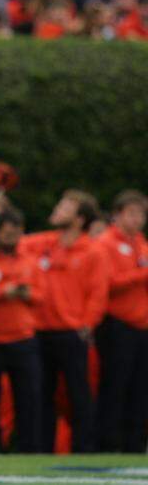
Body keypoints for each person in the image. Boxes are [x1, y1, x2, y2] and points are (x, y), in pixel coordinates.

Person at [22, 189, 107, 454]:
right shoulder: (44, 242)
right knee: (42, 396)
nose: (58, 208)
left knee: (78, 396)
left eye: (65, 206)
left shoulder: (92, 250)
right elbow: (10, 241)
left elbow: (98, 292)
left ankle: (84, 450)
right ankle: (42, 452)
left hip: (72, 333)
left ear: (80, 219)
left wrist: (87, 324)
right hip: (41, 331)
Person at [0, 208, 42, 454]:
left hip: (22, 338)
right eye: (7, 234)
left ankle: (29, 450)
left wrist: (27, 293)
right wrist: (6, 291)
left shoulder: (29, 259)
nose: (12, 239)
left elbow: (42, 295)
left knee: (28, 399)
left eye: (16, 234)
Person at [94, 190, 148, 453]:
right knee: (116, 386)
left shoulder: (142, 243)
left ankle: (135, 444)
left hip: (142, 326)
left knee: (140, 389)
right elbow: (108, 283)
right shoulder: (106, 243)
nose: (138, 219)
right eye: (133, 213)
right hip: (118, 325)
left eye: (142, 214)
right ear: (117, 215)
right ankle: (109, 443)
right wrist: (142, 275)